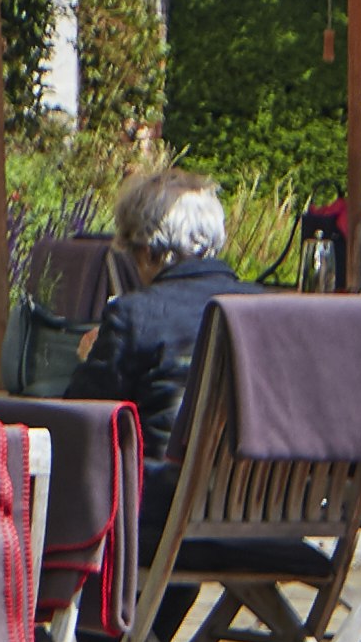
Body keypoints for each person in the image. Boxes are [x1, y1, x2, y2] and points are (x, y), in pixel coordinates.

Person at [76, 167, 241, 465]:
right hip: (260, 501)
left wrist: (93, 357)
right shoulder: (269, 308)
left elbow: (79, 420)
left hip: (164, 499)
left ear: (149, 251)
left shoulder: (134, 315)